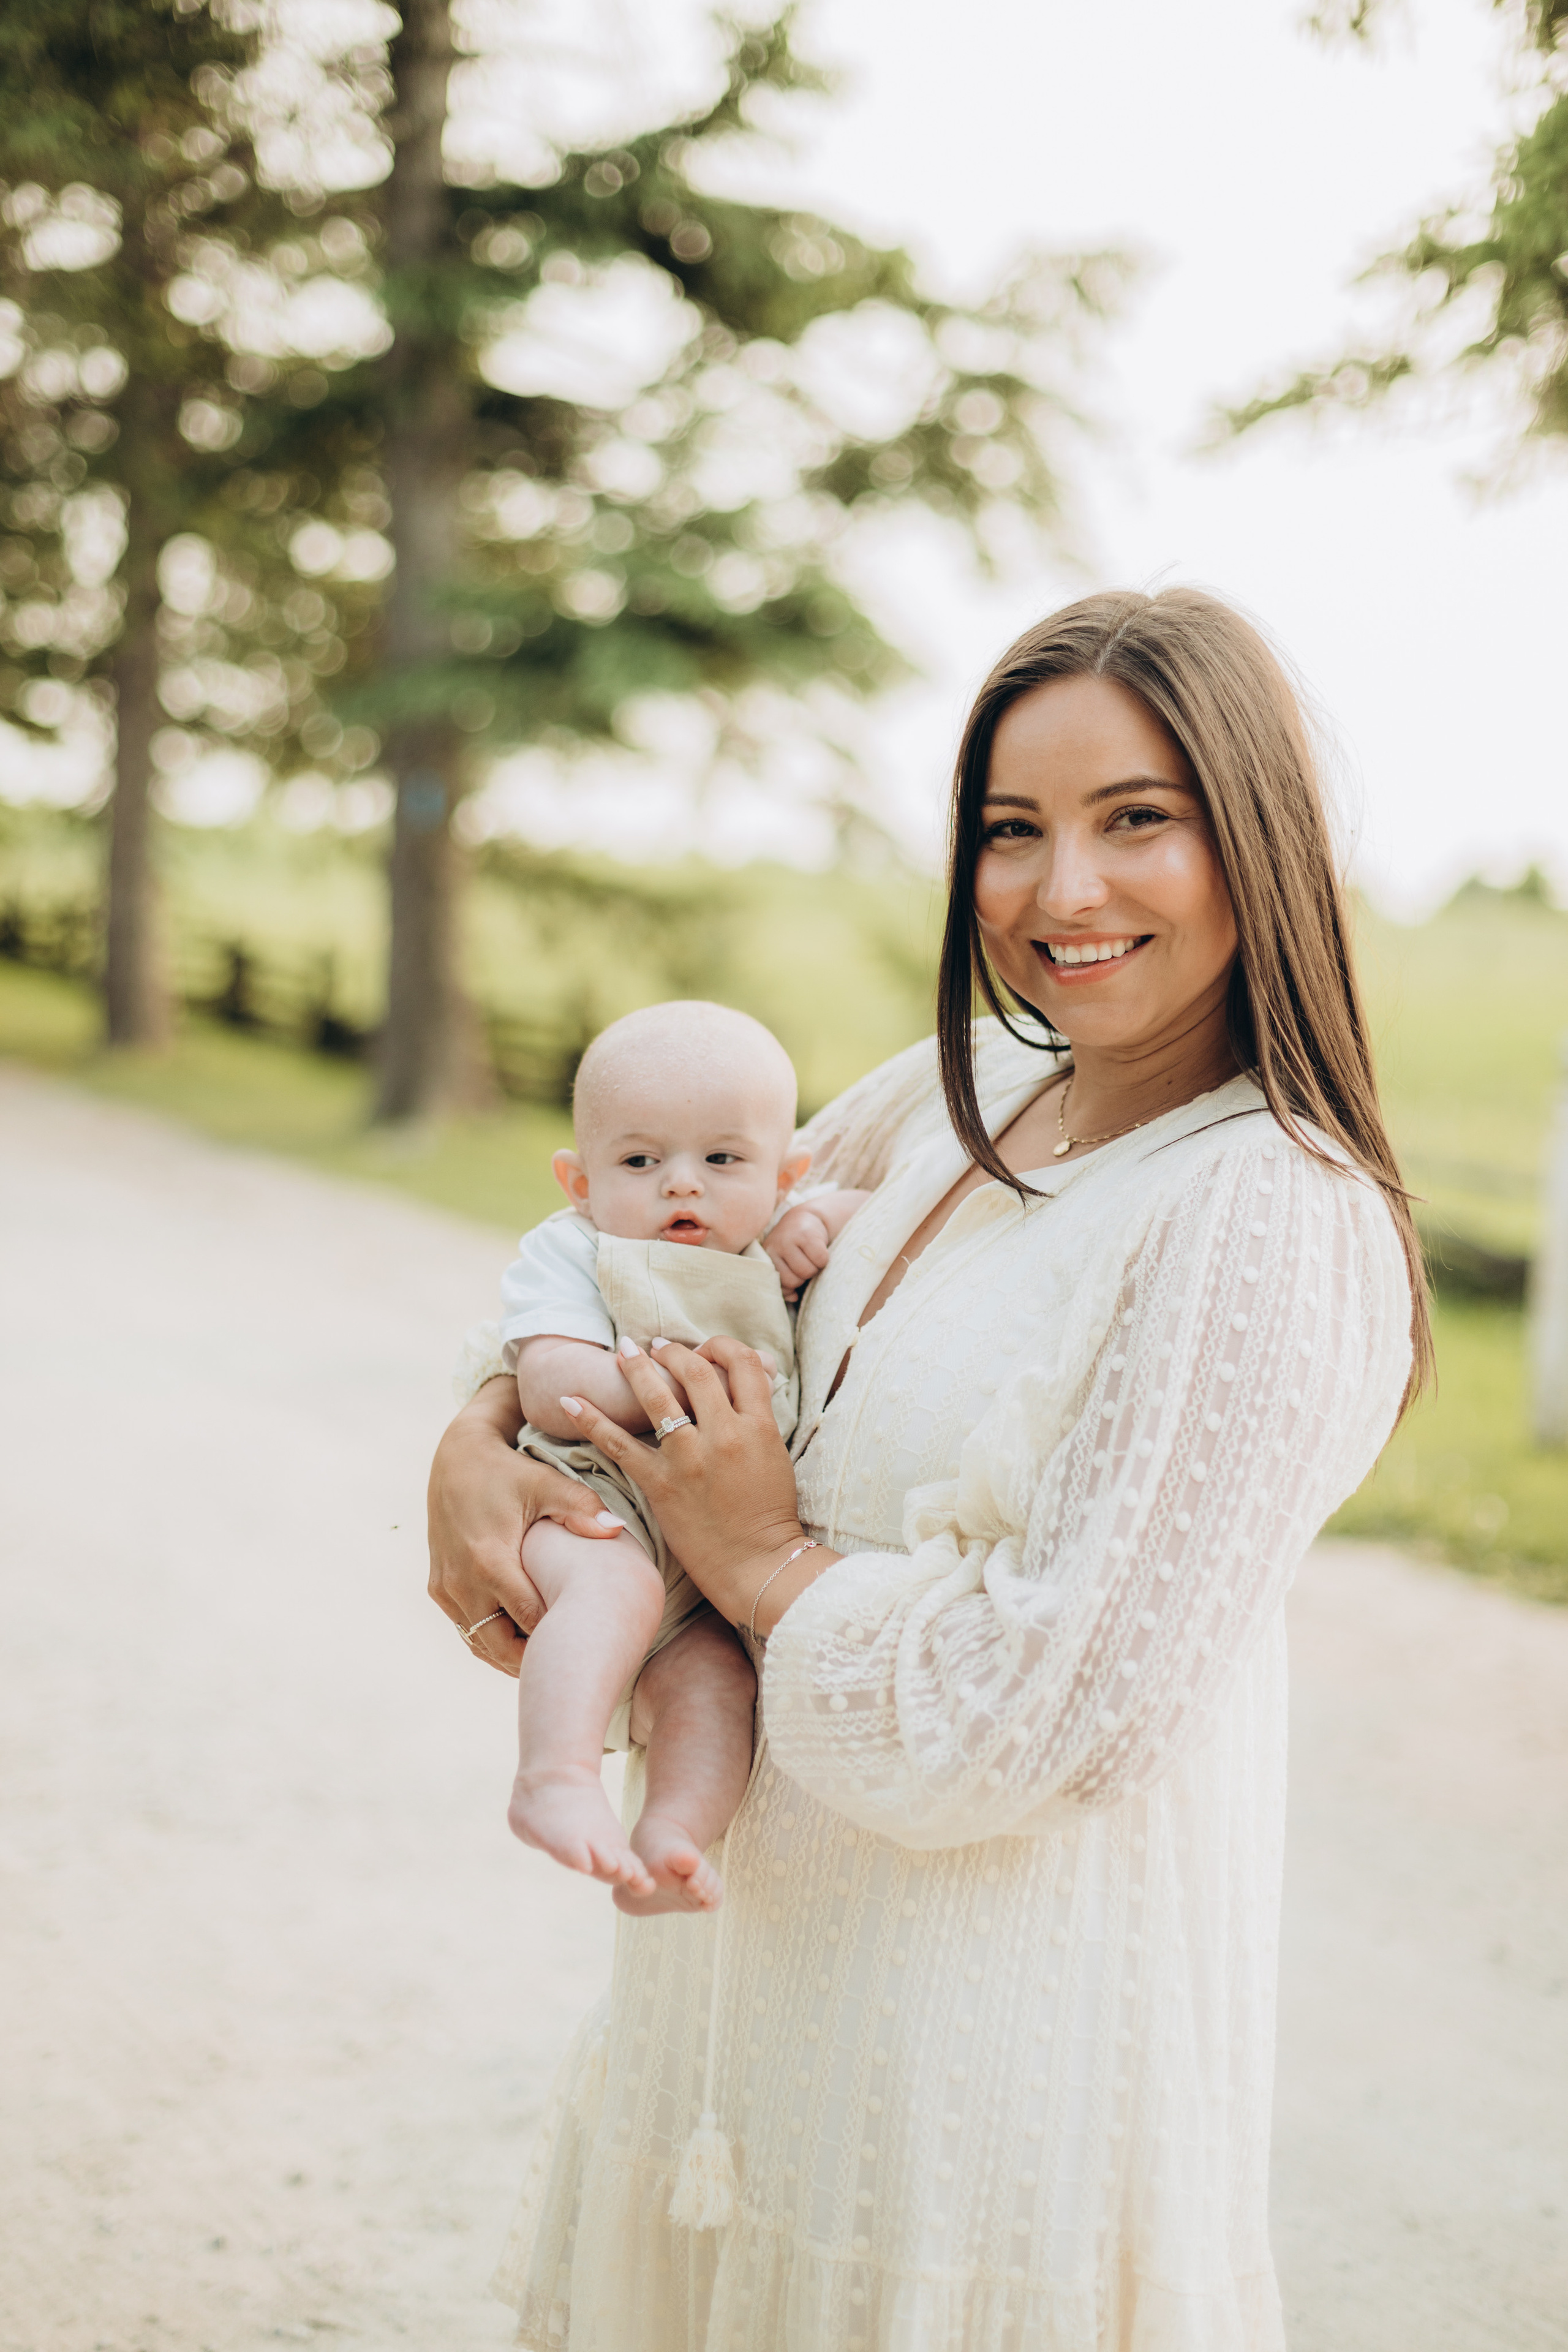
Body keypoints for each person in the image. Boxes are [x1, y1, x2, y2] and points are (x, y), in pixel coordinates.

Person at [428, 587, 1428, 2351]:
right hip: (729, 2054)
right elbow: (655, 1255)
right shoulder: (953, 1092)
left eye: (1138, 821)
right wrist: (474, 1432)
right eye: (1009, 831)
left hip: (977, 2129)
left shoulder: (1264, 1213)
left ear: (1253, 839)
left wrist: (750, 1564)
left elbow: (1036, 1721)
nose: (1064, 894)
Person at [491, 998, 867, 1912]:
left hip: (703, 1570)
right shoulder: (574, 1252)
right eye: (640, 1161)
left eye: (723, 1161)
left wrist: (816, 1222)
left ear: (785, 1174)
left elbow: (888, 1212)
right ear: (580, 1182)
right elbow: (549, 1385)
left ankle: (669, 1841)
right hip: (591, 1511)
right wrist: (678, 1390)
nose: (682, 1186)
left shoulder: (768, 1253)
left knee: (718, 1681)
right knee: (615, 1590)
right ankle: (554, 1775)